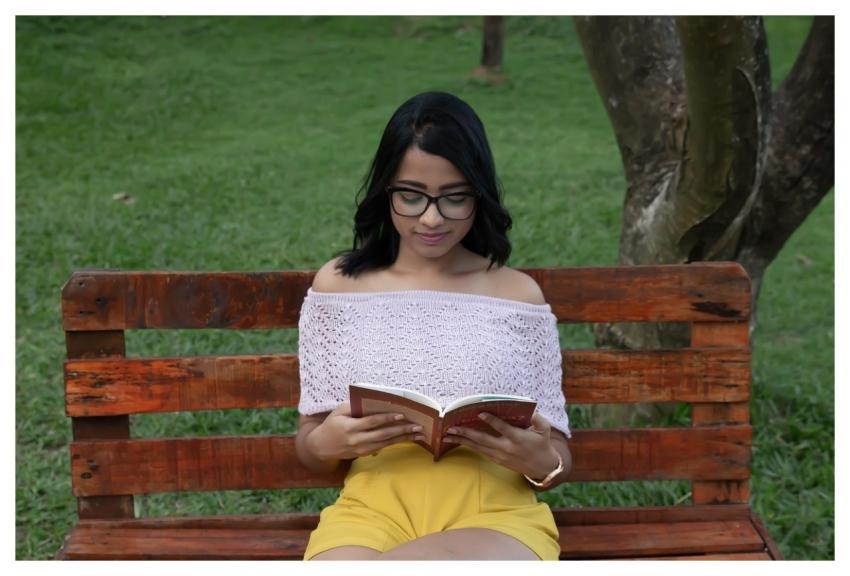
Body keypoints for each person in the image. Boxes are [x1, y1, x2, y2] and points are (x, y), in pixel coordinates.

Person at [295, 91, 572, 561]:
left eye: (454, 198)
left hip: (495, 511)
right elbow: (308, 441)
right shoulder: (338, 288)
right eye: (411, 196)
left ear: (478, 195)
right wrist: (327, 442)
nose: (431, 218)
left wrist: (540, 461)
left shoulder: (518, 296)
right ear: (386, 191)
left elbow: (559, 451)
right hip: (369, 510)